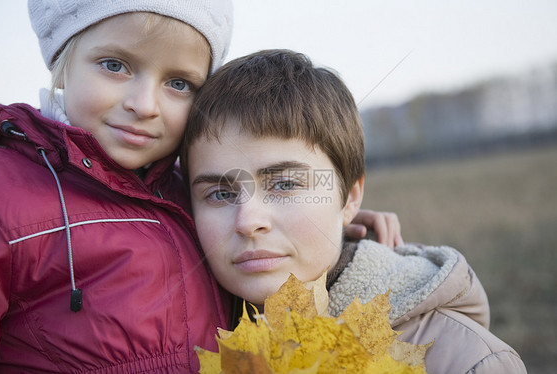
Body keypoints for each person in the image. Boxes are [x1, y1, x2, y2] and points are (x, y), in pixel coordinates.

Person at [0, 2, 400, 372]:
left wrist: (331, 218)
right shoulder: (7, 196)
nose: (145, 104)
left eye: (180, 84)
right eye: (114, 65)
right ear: (61, 61)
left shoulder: (180, 192)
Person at [182, 49, 527, 373]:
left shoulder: (469, 362)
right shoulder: (186, 341)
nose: (248, 222)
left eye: (285, 185)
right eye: (220, 193)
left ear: (349, 198)